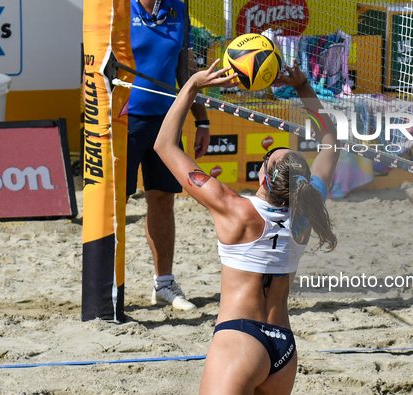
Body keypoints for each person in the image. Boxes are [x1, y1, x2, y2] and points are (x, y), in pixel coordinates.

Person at [154, 58, 340, 394]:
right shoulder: (307, 212)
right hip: (283, 346)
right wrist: (303, 88)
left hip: (240, 340)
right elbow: (331, 140)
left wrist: (194, 85)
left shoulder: (234, 209)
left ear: (262, 177)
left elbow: (164, 145)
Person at [128, 0, 210, 310]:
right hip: (124, 120)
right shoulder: (118, 7)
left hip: (165, 120)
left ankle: (164, 284)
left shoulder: (178, 7)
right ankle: (107, 286)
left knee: (163, 199)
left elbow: (186, 72)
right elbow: (93, 66)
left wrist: (202, 120)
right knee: (112, 204)